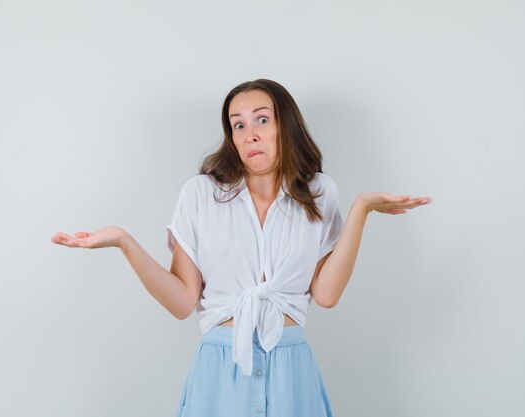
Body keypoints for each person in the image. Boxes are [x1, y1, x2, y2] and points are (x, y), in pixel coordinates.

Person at [51, 79, 431, 416]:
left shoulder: (319, 192)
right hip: (221, 370)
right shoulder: (200, 194)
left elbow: (327, 294)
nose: (250, 133)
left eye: (262, 120)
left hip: (291, 370)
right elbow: (183, 301)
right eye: (238, 124)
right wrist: (124, 241)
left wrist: (360, 210)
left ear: (287, 126)